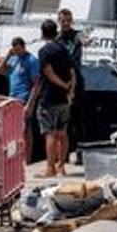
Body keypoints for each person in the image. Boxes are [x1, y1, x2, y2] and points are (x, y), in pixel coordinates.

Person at [34, 19, 76, 176]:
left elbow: (48, 72)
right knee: (63, 133)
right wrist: (70, 89)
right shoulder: (63, 49)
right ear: (56, 31)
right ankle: (62, 167)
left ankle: (49, 168)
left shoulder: (44, 51)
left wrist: (63, 85)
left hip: (49, 97)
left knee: (50, 133)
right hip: (64, 98)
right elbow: (72, 72)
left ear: (42, 32)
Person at [0, 37, 41, 160]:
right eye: (14, 50)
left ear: (23, 47)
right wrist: (8, 55)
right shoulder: (15, 59)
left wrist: (30, 104)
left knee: (26, 128)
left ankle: (27, 158)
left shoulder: (31, 60)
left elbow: (37, 83)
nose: (17, 52)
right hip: (13, 98)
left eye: (18, 49)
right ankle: (17, 157)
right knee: (13, 130)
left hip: (25, 97)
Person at [56, 9, 84, 159]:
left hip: (76, 80)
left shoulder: (76, 35)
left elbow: (83, 39)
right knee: (62, 117)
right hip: (61, 81)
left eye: (68, 20)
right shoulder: (57, 38)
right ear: (59, 21)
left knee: (77, 117)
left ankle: (79, 149)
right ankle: (63, 153)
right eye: (63, 21)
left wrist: (85, 41)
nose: (66, 23)